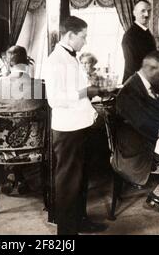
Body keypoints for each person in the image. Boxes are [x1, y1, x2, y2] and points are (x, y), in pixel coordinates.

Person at [43, 16, 109, 235]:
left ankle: (81, 220)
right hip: (67, 129)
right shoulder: (55, 60)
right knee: (68, 182)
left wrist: (91, 99)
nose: (85, 42)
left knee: (80, 179)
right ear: (70, 35)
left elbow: (77, 93)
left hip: (79, 125)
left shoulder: (71, 58)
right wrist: (86, 92)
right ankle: (66, 233)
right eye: (83, 37)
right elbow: (55, 99)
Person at [0, 45, 45, 194]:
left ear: (8, 63)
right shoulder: (40, 87)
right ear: (27, 62)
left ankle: (13, 176)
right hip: (34, 147)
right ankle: (20, 177)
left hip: (3, 148)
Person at [115, 51, 159, 187]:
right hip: (135, 149)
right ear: (149, 69)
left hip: (143, 137)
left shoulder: (143, 84)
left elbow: (147, 110)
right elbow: (143, 123)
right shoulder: (129, 91)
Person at [122, 0, 156, 84]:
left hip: (148, 82)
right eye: (143, 11)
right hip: (135, 85)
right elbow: (132, 67)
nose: (147, 14)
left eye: (149, 11)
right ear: (134, 13)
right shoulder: (130, 36)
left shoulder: (146, 33)